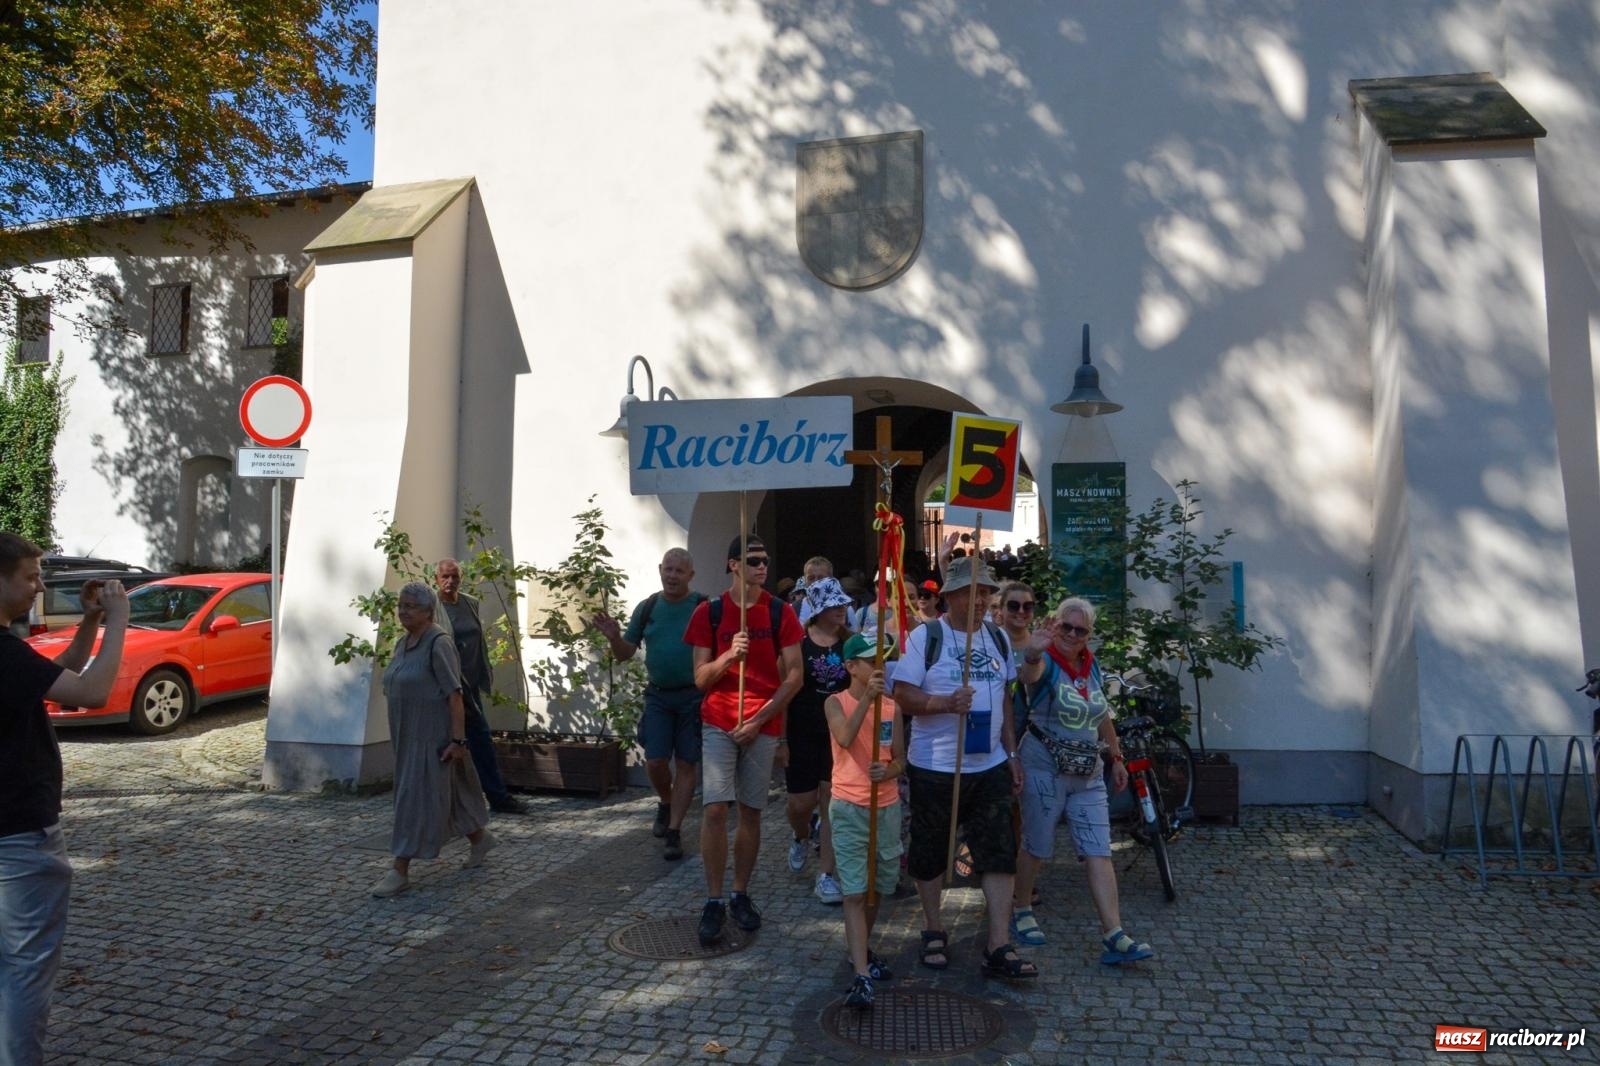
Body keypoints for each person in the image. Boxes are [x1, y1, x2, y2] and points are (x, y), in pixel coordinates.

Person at [0, 533, 130, 1066]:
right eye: (30, 577)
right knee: (24, 974)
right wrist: (121, 618)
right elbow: (91, 692)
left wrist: (92, 622)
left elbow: (60, 676)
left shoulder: (10, 654)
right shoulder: (3, 654)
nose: (39, 587)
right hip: (18, 838)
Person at [894, 557, 1037, 980]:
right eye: (972, 592)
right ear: (950, 596)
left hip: (989, 764)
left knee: (998, 852)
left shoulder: (996, 637)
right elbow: (902, 694)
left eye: (986, 592)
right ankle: (933, 927)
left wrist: (1011, 755)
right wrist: (942, 703)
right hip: (936, 765)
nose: (981, 600)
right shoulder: (927, 637)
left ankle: (998, 944)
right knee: (931, 849)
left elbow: (1007, 701)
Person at [1012, 597, 1154, 965]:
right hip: (1044, 767)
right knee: (1037, 844)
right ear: (1055, 625)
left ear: (1089, 634)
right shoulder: (1045, 662)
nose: (1073, 635)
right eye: (1066, 627)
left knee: (1098, 850)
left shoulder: (1090, 664)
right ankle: (1021, 906)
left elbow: (1101, 713)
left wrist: (1117, 757)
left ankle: (1114, 932)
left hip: (1088, 772)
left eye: (1081, 629)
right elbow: (1029, 676)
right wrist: (1031, 653)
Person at [684, 535, 803, 945]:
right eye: (753, 560)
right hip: (718, 720)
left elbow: (795, 677)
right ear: (733, 564)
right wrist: (727, 657)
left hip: (762, 724)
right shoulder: (709, 612)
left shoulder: (780, 611)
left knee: (751, 812)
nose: (762, 566)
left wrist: (762, 720)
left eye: (765, 559)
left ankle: (740, 893)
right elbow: (700, 679)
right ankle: (713, 900)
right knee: (716, 810)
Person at [373, 582, 495, 898]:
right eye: (401, 605)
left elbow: (455, 695)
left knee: (413, 800)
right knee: (448, 793)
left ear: (429, 610)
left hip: (433, 739)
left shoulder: (438, 643)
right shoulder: (403, 643)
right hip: (407, 736)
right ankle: (480, 838)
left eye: (411, 606)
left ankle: (399, 869)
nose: (403, 611)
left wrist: (458, 741)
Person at [593, 547, 706, 860]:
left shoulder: (702, 606)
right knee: (655, 761)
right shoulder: (648, 607)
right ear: (660, 570)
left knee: (686, 763)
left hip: (693, 697)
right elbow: (626, 652)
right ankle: (666, 802)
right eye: (668, 569)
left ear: (690, 576)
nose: (672, 576)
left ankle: (674, 830)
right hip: (658, 695)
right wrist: (614, 638)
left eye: (679, 571)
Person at [825, 633, 906, 1009]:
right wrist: (869, 700)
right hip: (849, 808)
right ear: (851, 667)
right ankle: (860, 974)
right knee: (855, 891)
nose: (880, 667)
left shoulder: (893, 708)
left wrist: (888, 772)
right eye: (871, 660)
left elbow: (901, 760)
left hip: (886, 808)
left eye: (883, 660)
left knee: (878, 888)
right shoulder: (835, 702)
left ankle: (862, 950)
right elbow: (844, 738)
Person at [435, 559, 528, 816]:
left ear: (460, 578)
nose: (450, 581)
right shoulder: (431, 607)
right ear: (436, 579)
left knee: (479, 741)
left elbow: (478, 641)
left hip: (470, 685)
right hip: (447, 687)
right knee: (452, 742)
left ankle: (495, 797)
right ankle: (451, 800)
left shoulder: (469, 603)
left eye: (454, 576)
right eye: (445, 576)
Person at [783, 577, 853, 904]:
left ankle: (826, 874)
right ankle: (799, 835)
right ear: (819, 609)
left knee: (830, 804)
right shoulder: (798, 644)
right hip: (802, 732)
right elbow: (786, 689)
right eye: (835, 605)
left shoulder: (851, 642)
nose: (842, 609)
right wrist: (781, 739)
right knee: (801, 803)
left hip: (837, 735)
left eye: (843, 604)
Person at [795, 556, 834, 624]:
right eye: (811, 578)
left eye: (821, 578)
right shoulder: (793, 610)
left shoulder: (844, 610)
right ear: (805, 581)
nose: (816, 583)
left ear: (831, 580)